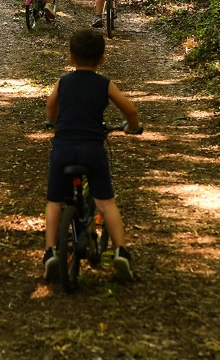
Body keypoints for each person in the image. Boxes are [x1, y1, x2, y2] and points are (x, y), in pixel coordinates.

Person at [42, 29, 143, 281]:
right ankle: (121, 251)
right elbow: (130, 110)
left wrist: (53, 123)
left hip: (64, 147)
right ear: (102, 59)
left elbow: (50, 106)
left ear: (70, 58)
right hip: (92, 150)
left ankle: (51, 252)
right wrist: (132, 127)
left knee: (55, 202)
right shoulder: (105, 84)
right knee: (106, 202)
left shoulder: (63, 82)